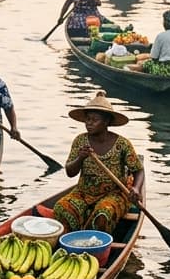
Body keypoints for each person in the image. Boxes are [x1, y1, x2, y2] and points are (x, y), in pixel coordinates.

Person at [52, 90, 145, 235]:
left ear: (106, 122)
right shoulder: (80, 141)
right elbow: (70, 172)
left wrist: (137, 189)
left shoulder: (122, 144)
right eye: (87, 119)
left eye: (94, 120)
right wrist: (80, 158)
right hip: (84, 192)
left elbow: (138, 170)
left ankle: (96, 245)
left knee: (103, 214)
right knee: (61, 207)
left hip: (115, 193)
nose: (89, 123)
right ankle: (72, 238)